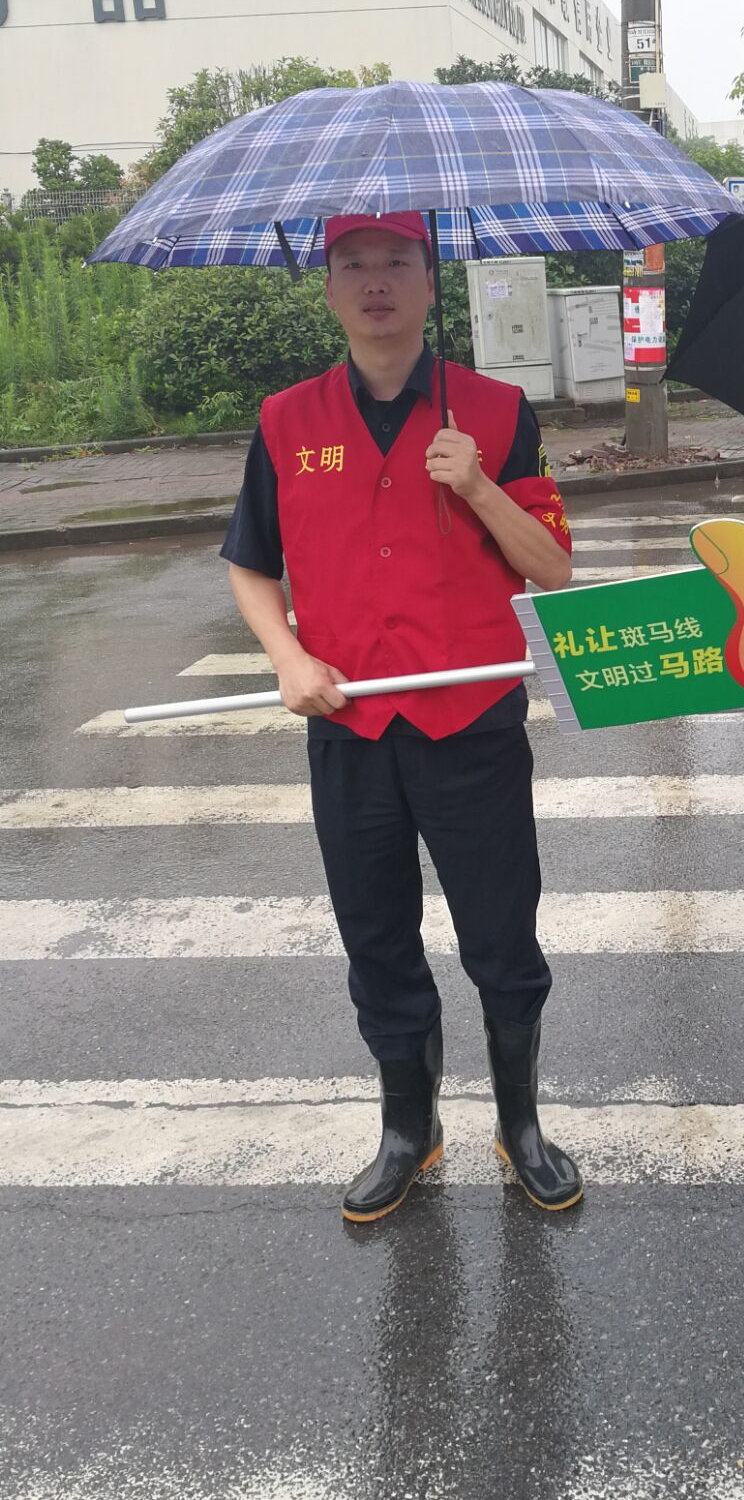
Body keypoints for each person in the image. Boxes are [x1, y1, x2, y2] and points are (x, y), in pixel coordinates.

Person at [222, 211, 583, 1221]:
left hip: (471, 725)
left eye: (397, 261)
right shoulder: (286, 421)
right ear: (329, 287)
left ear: (431, 281)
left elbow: (553, 566)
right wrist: (289, 657)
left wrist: (478, 486)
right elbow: (250, 564)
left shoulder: (496, 412)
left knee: (501, 936)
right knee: (376, 936)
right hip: (350, 727)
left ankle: (521, 1124)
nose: (375, 281)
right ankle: (408, 1128)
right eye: (354, 264)